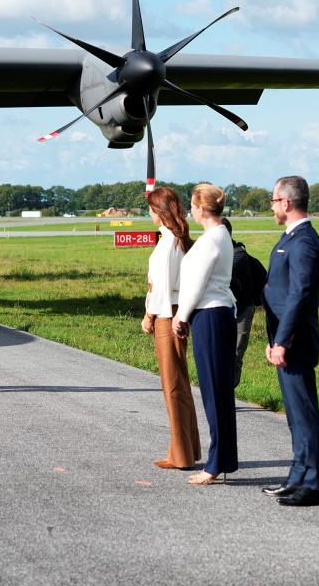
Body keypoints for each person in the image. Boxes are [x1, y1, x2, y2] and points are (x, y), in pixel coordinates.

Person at [261, 176, 319, 507]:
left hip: (296, 342)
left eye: (274, 201)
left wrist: (283, 340)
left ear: (286, 203)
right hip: (284, 340)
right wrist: (273, 339)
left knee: (304, 412)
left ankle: (313, 483)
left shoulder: (303, 242)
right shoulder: (291, 237)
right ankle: (299, 475)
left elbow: (299, 295)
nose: (272, 206)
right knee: (295, 414)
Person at [172, 184, 238, 486]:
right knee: (219, 392)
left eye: (192, 205)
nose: (190, 210)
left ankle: (215, 464)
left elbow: (196, 284)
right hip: (218, 313)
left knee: (214, 392)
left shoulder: (211, 239)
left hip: (209, 315)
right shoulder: (221, 234)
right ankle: (222, 459)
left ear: (200, 208)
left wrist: (181, 317)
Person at [141, 186, 202, 470]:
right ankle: (186, 449)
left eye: (151, 208)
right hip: (174, 311)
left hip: (167, 314)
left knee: (173, 385)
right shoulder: (175, 239)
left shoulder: (168, 245)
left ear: (159, 211)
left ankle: (180, 453)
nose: (148, 213)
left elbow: (161, 289)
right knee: (179, 383)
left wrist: (150, 316)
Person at [221, 217, 266, 388]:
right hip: (224, 310)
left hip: (242, 310)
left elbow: (223, 271)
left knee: (236, 353)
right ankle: (222, 390)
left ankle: (228, 392)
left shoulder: (239, 255)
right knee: (221, 352)